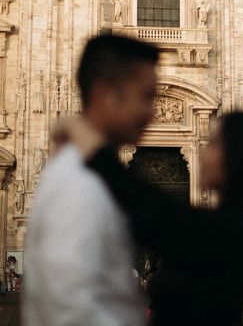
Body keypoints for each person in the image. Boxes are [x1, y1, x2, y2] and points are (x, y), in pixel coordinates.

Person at [69, 112, 243, 326]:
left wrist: (95, 151)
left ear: (240, 157)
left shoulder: (235, 232)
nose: (203, 152)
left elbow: (157, 214)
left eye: (213, 144)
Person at [24, 34, 159, 326]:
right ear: (103, 94)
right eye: (146, 97)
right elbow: (70, 307)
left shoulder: (93, 174)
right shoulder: (80, 183)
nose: (153, 112)